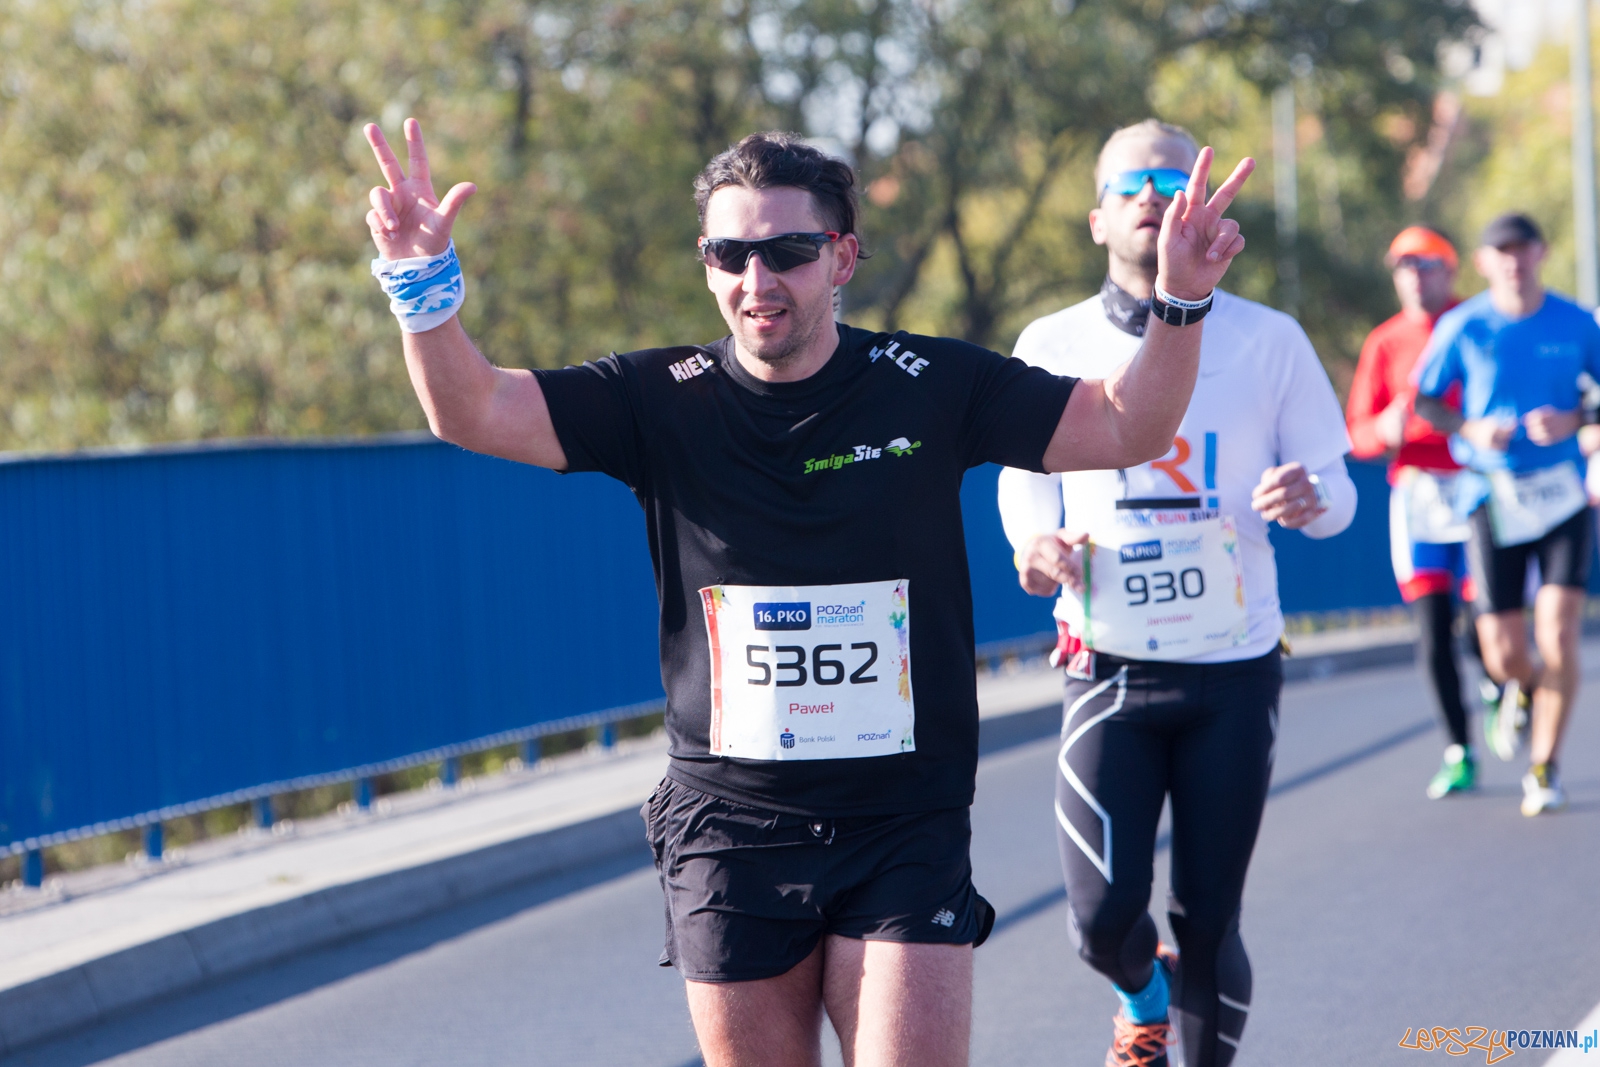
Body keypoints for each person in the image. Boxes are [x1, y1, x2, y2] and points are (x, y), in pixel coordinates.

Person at [362, 118, 1255, 1066]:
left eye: (788, 251)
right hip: (729, 819)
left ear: (843, 257)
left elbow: (1124, 427)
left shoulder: (931, 384)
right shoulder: (657, 397)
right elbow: (473, 409)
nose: (758, 281)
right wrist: (422, 287)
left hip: (901, 811)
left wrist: (1181, 302)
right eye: (731, 253)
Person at [997, 119, 1353, 1067]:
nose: (1154, 194)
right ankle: (1138, 994)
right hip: (1107, 667)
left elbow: (1338, 487)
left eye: (1172, 176)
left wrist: (1312, 498)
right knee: (1098, 917)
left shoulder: (1270, 340)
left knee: (1208, 917)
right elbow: (1021, 478)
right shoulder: (1053, 339)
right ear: (1096, 218)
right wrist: (1036, 543)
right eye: (1132, 183)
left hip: (1233, 671)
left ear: (1204, 203)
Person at [1414, 212, 1600, 817]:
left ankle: (1544, 768)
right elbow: (1425, 401)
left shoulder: (1575, 322)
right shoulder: (1464, 326)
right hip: (1492, 495)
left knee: (1560, 632)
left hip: (1563, 493)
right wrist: (1468, 425)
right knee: (1501, 649)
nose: (1514, 261)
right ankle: (1516, 685)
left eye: (1523, 250)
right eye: (1502, 252)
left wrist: (1574, 421)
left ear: (1542, 252)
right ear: (1485, 262)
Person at [1346, 226, 1487, 799]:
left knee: (1486, 625)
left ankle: (1502, 684)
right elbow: (1357, 430)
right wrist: (1384, 429)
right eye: (1403, 266)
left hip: (1479, 486)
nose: (1414, 276)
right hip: (1419, 495)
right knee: (1432, 632)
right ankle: (1459, 749)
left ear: (1450, 270)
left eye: (1425, 264)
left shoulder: (1478, 324)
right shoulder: (1384, 341)